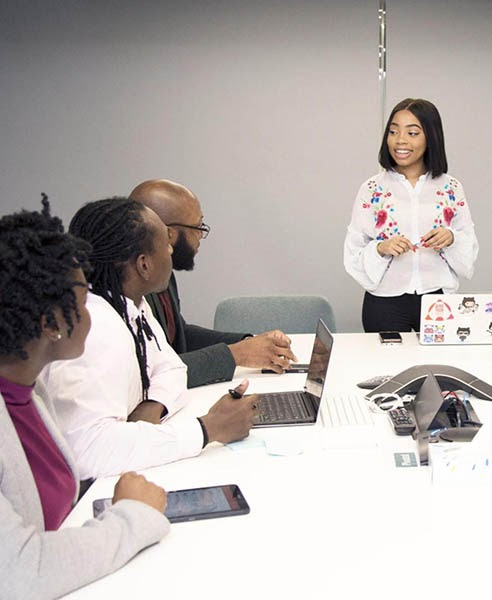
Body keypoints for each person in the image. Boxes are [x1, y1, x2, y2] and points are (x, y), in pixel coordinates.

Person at [0, 196, 170, 599]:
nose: (92, 311)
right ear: (51, 324)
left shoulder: (29, 391)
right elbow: (23, 571)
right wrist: (132, 515)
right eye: (82, 301)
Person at [39, 197, 259, 480]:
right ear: (143, 265)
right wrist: (208, 428)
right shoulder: (96, 329)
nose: (170, 249)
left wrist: (151, 407)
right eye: (164, 244)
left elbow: (172, 368)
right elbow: (88, 452)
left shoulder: (131, 305)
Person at [130, 179, 297, 388]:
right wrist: (236, 355)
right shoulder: (131, 289)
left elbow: (179, 336)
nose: (201, 235)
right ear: (167, 234)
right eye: (197, 226)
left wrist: (246, 342)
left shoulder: (163, 274)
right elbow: (152, 373)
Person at [343, 98, 478, 332]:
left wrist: (451, 237)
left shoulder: (451, 188)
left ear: (431, 137)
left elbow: (469, 249)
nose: (400, 140)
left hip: (438, 301)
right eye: (393, 131)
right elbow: (353, 250)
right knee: (388, 368)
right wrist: (381, 248)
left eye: (412, 133)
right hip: (385, 304)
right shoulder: (372, 188)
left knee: (439, 368)